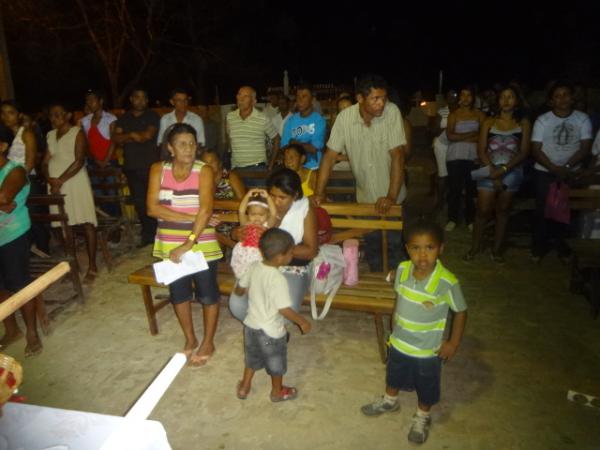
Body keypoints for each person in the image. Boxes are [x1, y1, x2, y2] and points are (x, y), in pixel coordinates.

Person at [360, 219, 467, 444]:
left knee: (427, 383)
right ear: (407, 249)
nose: (422, 255)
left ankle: (422, 415)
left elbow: (460, 312)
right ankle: (390, 400)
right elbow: (399, 295)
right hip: (399, 340)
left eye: (430, 248)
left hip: (428, 349)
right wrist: (394, 317)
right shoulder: (402, 269)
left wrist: (453, 343)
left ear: (440, 249)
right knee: (394, 372)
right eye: (416, 248)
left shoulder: (447, 282)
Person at [315, 74, 407, 271]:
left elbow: (398, 156)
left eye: (384, 97)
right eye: (375, 98)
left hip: (393, 197)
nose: (381, 103)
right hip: (366, 198)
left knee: (393, 247)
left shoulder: (392, 112)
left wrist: (391, 196)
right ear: (360, 99)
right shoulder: (345, 118)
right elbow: (329, 156)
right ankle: (377, 289)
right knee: (373, 247)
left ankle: (396, 292)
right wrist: (319, 193)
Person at [147, 123, 222, 366]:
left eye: (192, 143)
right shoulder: (158, 170)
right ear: (170, 148)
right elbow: (152, 208)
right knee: (179, 294)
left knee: (208, 294)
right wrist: (194, 218)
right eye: (182, 144)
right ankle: (190, 339)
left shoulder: (205, 171)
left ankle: (208, 341)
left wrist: (189, 241)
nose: (189, 148)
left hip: (200, 243)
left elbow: (206, 208)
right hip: (169, 243)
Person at [229, 168, 318, 319]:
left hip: (292, 267)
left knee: (285, 310)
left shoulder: (304, 210)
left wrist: (275, 249)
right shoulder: (262, 205)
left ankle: (270, 331)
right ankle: (264, 329)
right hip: (258, 264)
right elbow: (241, 226)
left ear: (295, 195)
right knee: (238, 305)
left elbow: (311, 250)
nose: (276, 201)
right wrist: (237, 233)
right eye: (273, 195)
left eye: (282, 197)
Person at [234, 228, 312, 401]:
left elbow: (240, 289)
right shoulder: (278, 279)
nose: (292, 255)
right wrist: (302, 322)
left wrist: (243, 292)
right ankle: (277, 391)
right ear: (280, 257)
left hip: (251, 326)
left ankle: (244, 387)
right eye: (291, 252)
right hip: (271, 331)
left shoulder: (254, 267)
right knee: (276, 363)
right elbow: (284, 309)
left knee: (252, 357)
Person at [465, 86, 531, 263]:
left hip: (512, 170)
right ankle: (474, 247)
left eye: (510, 97)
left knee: (503, 211)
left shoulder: (522, 123)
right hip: (488, 169)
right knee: (482, 211)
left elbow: (523, 152)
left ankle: (496, 249)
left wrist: (502, 171)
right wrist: (492, 171)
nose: (506, 100)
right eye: (503, 97)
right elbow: (481, 150)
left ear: (516, 100)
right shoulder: (488, 122)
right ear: (498, 100)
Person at [530, 81, 592, 263]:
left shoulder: (582, 119)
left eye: (566, 95)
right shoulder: (543, 120)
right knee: (542, 211)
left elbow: (584, 147)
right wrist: (553, 168)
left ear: (572, 98)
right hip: (544, 171)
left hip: (571, 173)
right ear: (551, 101)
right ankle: (538, 247)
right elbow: (536, 148)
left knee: (567, 212)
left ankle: (563, 247)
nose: (562, 99)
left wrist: (566, 168)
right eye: (557, 96)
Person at [43, 103, 99, 283]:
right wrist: (49, 179)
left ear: (67, 115)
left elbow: (79, 160)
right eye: (52, 115)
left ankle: (92, 266)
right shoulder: (50, 135)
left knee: (86, 222)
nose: (54, 118)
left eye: (58, 114)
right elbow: (45, 162)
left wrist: (60, 180)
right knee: (64, 226)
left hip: (74, 182)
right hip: (55, 186)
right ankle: (72, 266)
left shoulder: (77, 132)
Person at [0, 137, 42, 356]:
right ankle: (12, 330)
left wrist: (4, 201)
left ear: (3, 146)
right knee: (0, 288)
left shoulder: (14, 171)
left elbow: (5, 196)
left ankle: (32, 334)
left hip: (14, 234)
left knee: (20, 285)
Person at [112, 88, 161, 248]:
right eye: (137, 97)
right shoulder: (124, 118)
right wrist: (133, 135)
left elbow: (146, 136)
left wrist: (129, 136)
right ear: (131, 99)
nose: (140, 100)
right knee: (139, 203)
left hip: (150, 166)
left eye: (143, 98)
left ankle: (158, 234)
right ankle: (148, 236)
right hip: (131, 167)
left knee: (154, 202)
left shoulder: (152, 116)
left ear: (147, 100)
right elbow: (116, 139)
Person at [1, 100, 51, 255]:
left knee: (35, 221)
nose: (6, 117)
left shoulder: (26, 133)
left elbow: (29, 164)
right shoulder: (9, 136)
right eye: (3, 113)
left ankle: (44, 254)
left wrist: (17, 187)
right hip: (14, 185)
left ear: (19, 115)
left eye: (11, 113)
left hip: (26, 183)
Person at [445, 86, 486, 232]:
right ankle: (452, 218)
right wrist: (470, 135)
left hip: (473, 157)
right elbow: (450, 136)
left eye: (469, 95)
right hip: (455, 156)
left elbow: (482, 136)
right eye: (463, 95)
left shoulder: (479, 115)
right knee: (454, 189)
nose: (466, 98)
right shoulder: (453, 115)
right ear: (459, 97)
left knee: (471, 189)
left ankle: (470, 219)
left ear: (473, 98)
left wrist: (460, 136)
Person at [227, 86, 280, 174]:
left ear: (254, 101)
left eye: (245, 96)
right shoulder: (230, 117)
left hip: (257, 168)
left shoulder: (263, 118)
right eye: (239, 95)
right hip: (236, 169)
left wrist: (271, 164)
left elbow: (277, 139)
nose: (241, 99)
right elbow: (230, 139)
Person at [230, 188, 277, 279]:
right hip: (244, 254)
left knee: (258, 275)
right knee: (243, 275)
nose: (257, 218)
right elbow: (241, 211)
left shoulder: (267, 225)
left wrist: (268, 197)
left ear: (267, 214)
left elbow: (274, 213)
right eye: (253, 214)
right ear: (248, 214)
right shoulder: (246, 223)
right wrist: (247, 195)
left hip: (259, 254)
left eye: (261, 215)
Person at [278, 84, 326, 170]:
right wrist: (302, 146)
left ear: (312, 100)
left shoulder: (319, 121)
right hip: (292, 169)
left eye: (304, 96)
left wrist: (294, 143)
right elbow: (284, 148)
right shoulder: (290, 121)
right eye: (298, 96)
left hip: (313, 168)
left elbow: (313, 149)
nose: (300, 100)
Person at [431, 90, 459, 210]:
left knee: (455, 173)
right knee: (443, 173)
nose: (452, 97)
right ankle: (440, 200)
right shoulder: (441, 111)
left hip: (458, 145)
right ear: (446, 98)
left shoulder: (463, 112)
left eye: (455, 95)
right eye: (450, 96)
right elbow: (434, 130)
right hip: (442, 144)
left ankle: (453, 198)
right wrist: (449, 130)